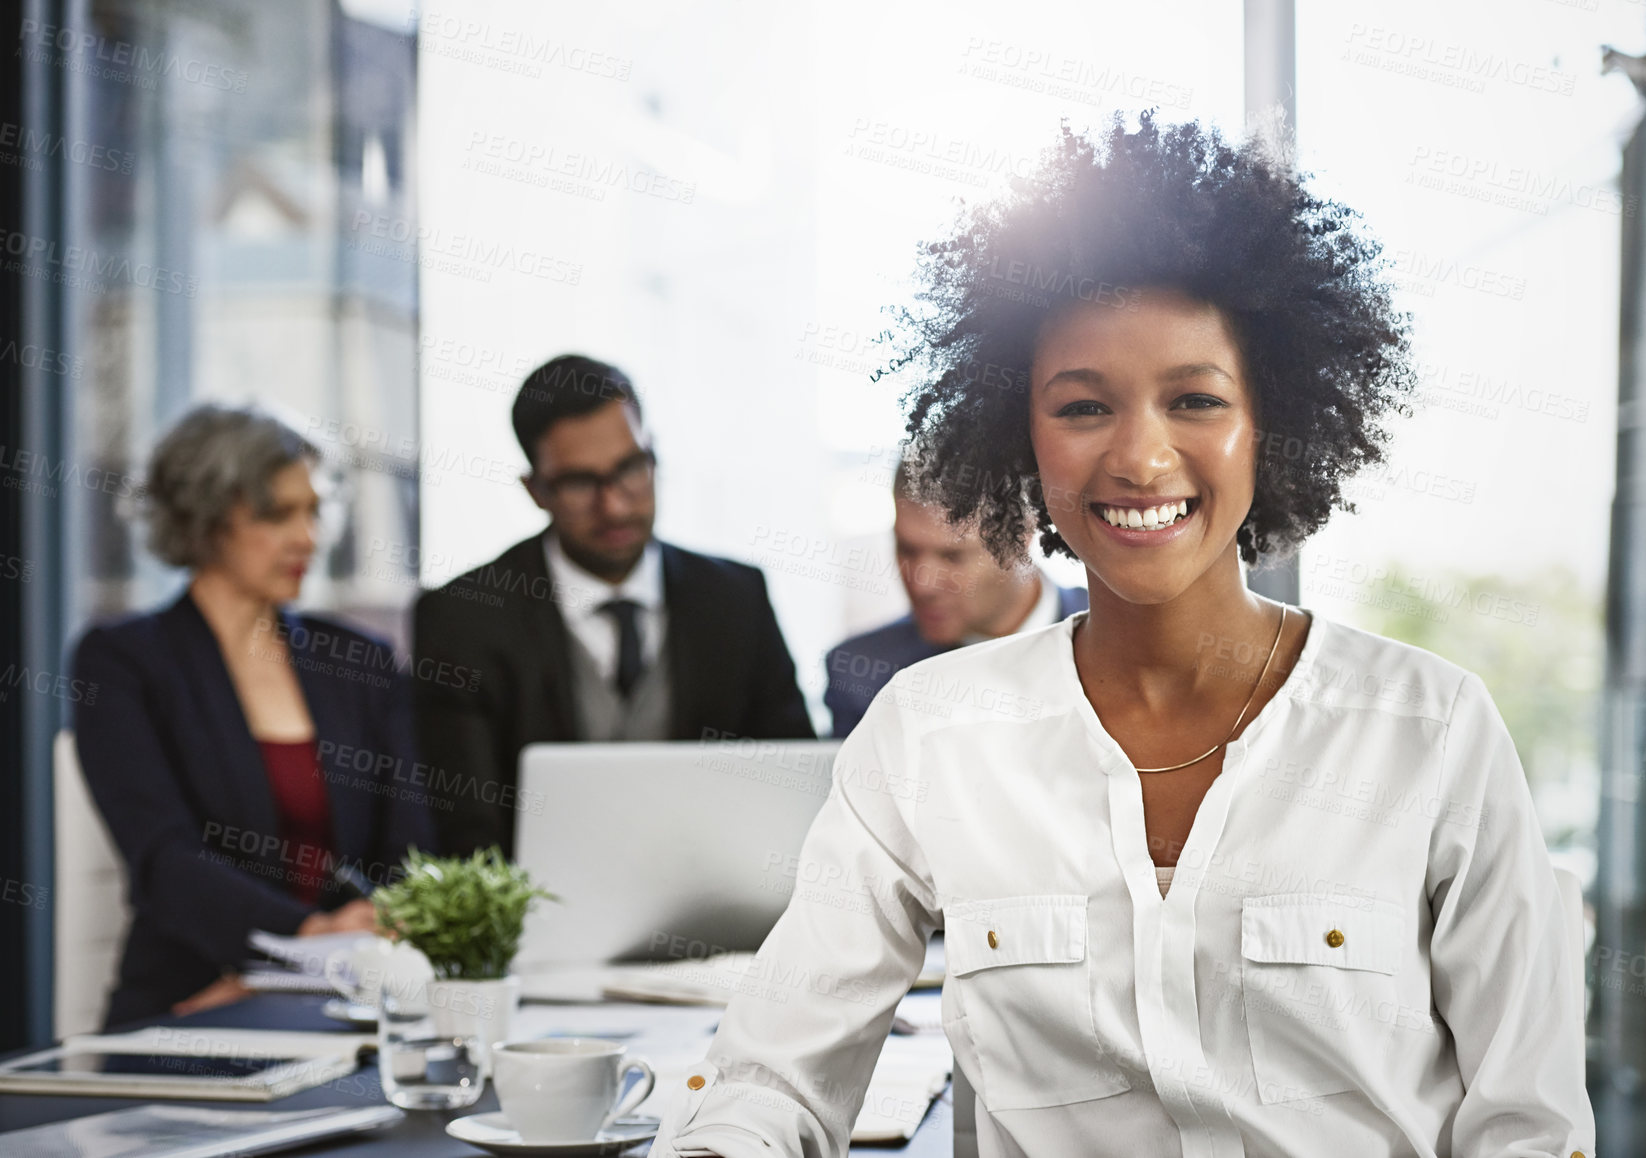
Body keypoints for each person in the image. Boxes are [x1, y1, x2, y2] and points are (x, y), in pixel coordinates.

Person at [649, 114, 1593, 1157]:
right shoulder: (928, 737)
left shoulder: (1429, 730)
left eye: (1194, 398)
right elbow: (774, 1078)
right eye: (1083, 406)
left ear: (1267, 423)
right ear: (1021, 437)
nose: (1141, 458)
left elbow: (1529, 1126)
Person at [72, 404, 434, 1027]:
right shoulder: (124, 661)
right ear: (206, 521)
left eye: (315, 511)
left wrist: (354, 944)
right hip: (195, 1001)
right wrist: (304, 937)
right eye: (277, 514)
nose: (308, 538)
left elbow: (409, 851)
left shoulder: (359, 660)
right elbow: (164, 859)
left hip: (355, 998)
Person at [413, 355, 815, 857]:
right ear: (536, 490)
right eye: (581, 483)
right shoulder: (462, 619)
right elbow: (466, 834)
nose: (616, 505)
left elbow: (794, 788)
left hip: (719, 915)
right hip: (537, 926)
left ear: (654, 455)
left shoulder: (736, 600)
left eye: (630, 468)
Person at [823, 457, 1086, 737]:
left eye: (952, 557)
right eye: (907, 550)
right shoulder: (863, 676)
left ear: (1021, 536)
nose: (923, 585)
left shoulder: (1128, 645)